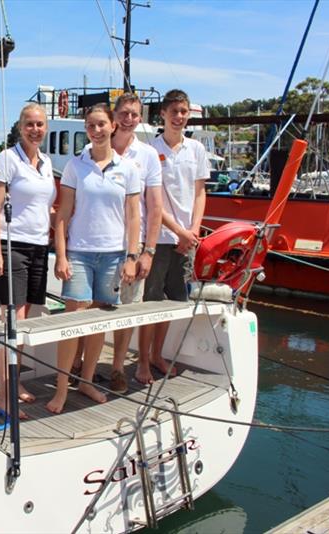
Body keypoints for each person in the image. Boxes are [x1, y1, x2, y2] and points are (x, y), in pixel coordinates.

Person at [47, 104, 141, 414]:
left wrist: (132, 256)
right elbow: (63, 214)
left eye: (101, 124)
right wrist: (61, 255)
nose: (96, 130)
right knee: (73, 321)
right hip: (80, 253)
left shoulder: (128, 169)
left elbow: (133, 216)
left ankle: (86, 381)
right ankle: (62, 388)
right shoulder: (76, 165)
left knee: (98, 321)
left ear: (113, 126)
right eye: (90, 125)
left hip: (113, 254)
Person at [0, 103, 56, 418]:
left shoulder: (46, 161)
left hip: (39, 247)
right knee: (12, 322)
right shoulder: (7, 158)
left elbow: (45, 207)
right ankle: (4, 395)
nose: (35, 129)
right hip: (11, 245)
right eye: (30, 124)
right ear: (20, 126)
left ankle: (14, 384)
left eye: (40, 124)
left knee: (25, 322)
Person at [138, 89, 209, 384]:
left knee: (171, 302)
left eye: (184, 112)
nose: (179, 117)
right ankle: (142, 361)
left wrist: (192, 230)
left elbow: (200, 192)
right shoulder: (150, 151)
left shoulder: (196, 150)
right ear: (163, 115)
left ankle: (158, 354)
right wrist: (178, 231)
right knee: (151, 302)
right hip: (160, 237)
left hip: (186, 238)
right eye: (174, 112)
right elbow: (151, 201)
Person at [109, 93, 163, 393]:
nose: (130, 119)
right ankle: (82, 363)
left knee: (129, 309)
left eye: (135, 114)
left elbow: (155, 207)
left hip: (134, 243)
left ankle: (117, 366)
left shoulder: (148, 155)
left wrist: (149, 252)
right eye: (125, 113)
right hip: (100, 241)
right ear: (115, 115)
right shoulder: (96, 149)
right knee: (97, 306)